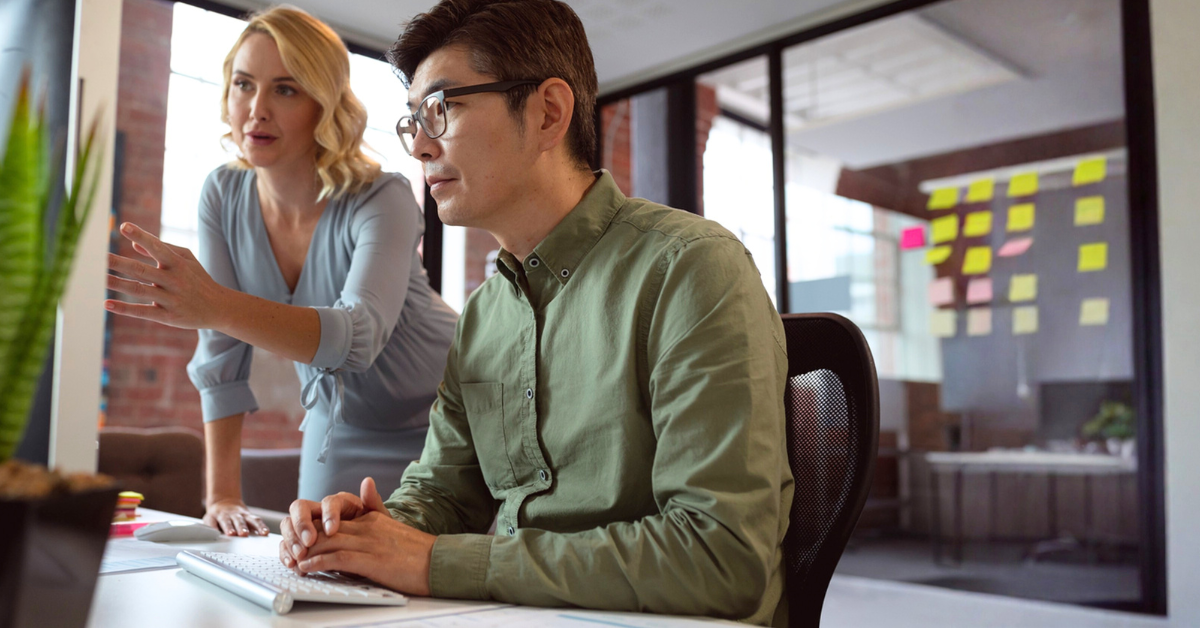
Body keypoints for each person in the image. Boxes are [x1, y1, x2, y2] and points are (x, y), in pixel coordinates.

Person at [279, 0, 793, 624]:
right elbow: (444, 490)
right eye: (412, 120)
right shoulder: (483, 314)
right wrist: (368, 531)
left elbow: (720, 558)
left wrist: (438, 562)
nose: (418, 144)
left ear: (548, 113)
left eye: (442, 109)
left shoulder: (690, 268)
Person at [104, 6, 457, 537]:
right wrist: (221, 495)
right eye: (244, 84)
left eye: (286, 89)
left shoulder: (383, 197)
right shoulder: (222, 196)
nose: (257, 109)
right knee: (318, 558)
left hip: (444, 415)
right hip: (338, 425)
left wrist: (214, 304)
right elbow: (221, 355)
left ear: (324, 104)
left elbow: (356, 338)